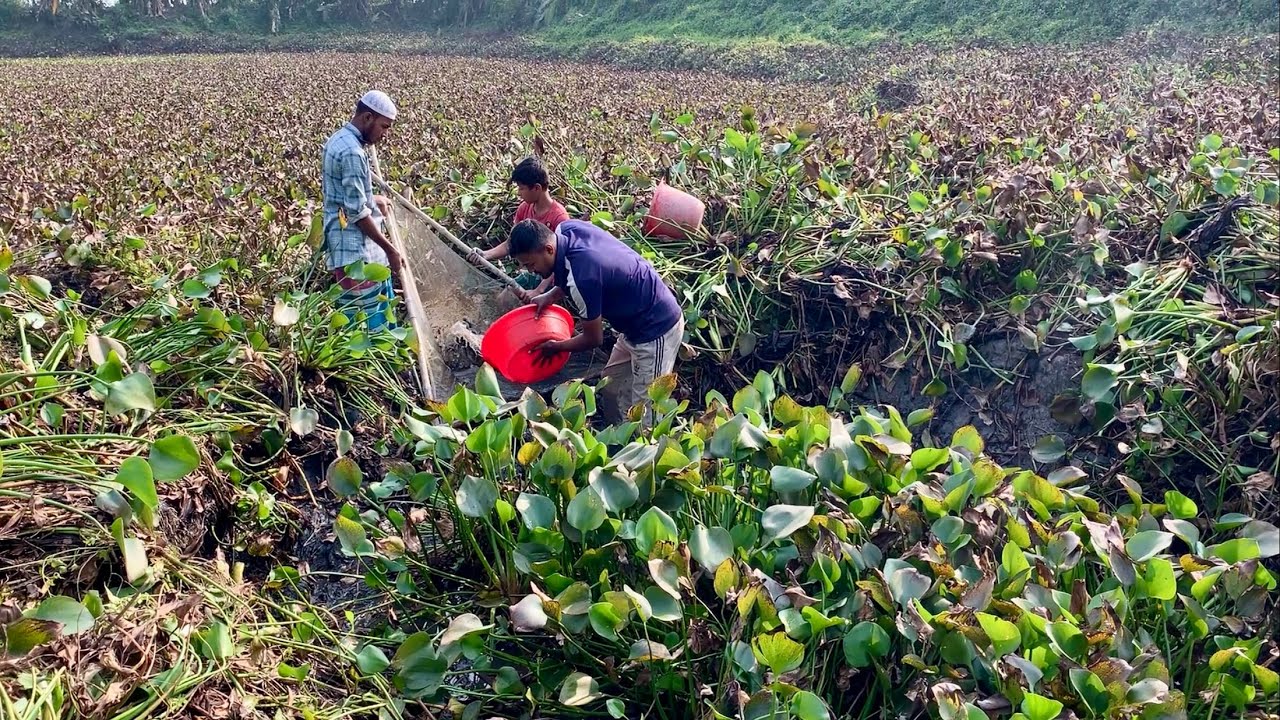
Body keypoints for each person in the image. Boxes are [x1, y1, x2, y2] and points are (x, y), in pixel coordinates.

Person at [507, 219, 685, 424]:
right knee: (611, 388)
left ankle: (648, 449)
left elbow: (593, 339)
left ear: (548, 249)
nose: (530, 271)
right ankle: (620, 441)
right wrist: (550, 296)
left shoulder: (583, 280)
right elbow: (574, 270)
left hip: (656, 329)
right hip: (631, 326)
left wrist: (556, 347)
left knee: (648, 413)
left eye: (531, 264)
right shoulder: (567, 229)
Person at [321, 90, 406, 331]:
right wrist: (390, 250)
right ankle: (379, 364)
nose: (385, 134)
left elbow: (342, 194)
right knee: (369, 325)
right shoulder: (353, 153)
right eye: (384, 127)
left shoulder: (338, 139)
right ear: (367, 118)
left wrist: (372, 198)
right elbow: (357, 213)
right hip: (357, 252)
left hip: (342, 245)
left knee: (352, 320)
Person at [468, 156, 570, 302]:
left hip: (554, 282)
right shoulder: (524, 208)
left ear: (536, 188)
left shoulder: (559, 217)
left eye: (521, 188)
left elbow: (562, 261)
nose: (519, 193)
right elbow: (512, 243)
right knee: (504, 298)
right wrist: (485, 255)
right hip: (533, 273)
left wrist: (539, 290)